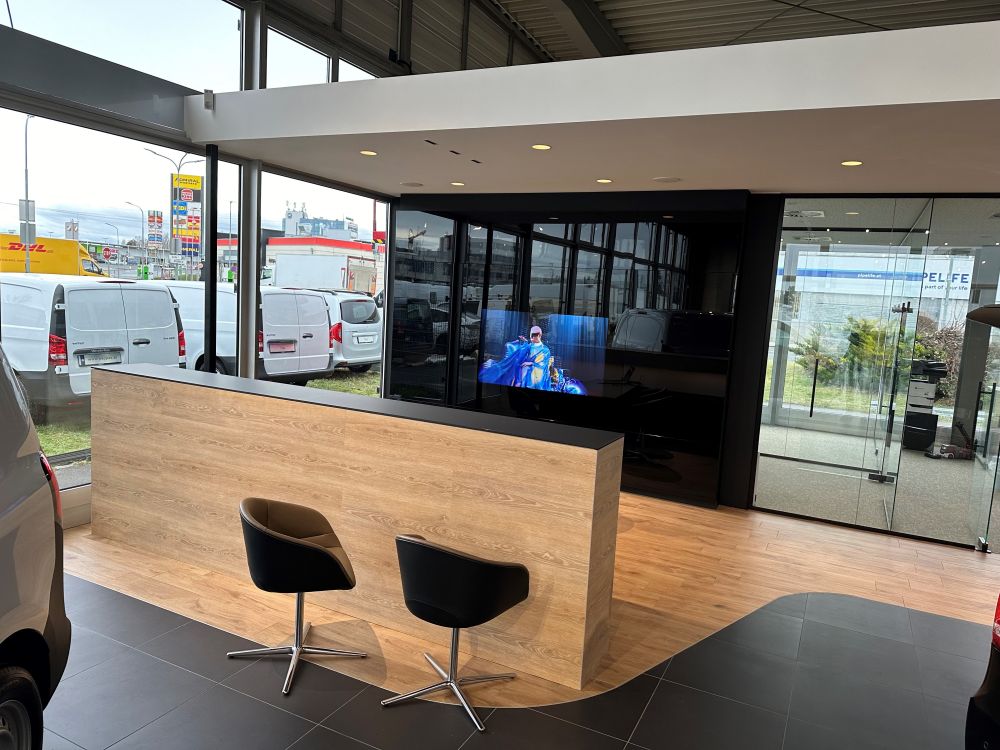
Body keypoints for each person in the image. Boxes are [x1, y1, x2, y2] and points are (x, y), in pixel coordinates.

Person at [479, 325, 554, 390]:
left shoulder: (545, 349)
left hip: (537, 370)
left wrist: (531, 363)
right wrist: (525, 342)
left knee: (526, 371)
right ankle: (497, 368)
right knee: (516, 363)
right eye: (531, 335)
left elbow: (543, 364)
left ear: (539, 335)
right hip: (524, 365)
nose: (531, 337)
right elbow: (521, 354)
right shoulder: (529, 345)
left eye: (533, 335)